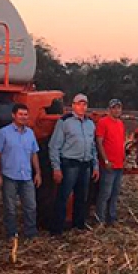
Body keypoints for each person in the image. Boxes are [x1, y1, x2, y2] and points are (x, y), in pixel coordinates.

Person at [49, 93, 99, 233]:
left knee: (81, 198)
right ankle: (57, 229)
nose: (82, 107)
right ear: (73, 106)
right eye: (79, 104)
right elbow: (54, 146)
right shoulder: (64, 122)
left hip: (85, 164)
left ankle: (78, 226)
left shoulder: (90, 124)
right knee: (63, 196)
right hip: (70, 164)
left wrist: (95, 166)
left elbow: (93, 147)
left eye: (84, 104)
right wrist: (56, 168)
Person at [0, 103, 42, 240]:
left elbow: (34, 154)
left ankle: (30, 233)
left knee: (31, 206)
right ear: (13, 115)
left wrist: (37, 173)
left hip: (26, 175)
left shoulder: (30, 133)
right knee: (10, 208)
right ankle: (11, 234)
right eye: (20, 114)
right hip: (9, 175)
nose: (23, 117)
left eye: (25, 115)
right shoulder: (4, 132)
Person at [95, 98, 128, 226]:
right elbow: (99, 142)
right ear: (109, 109)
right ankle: (100, 219)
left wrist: (123, 157)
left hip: (119, 164)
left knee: (115, 193)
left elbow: (121, 142)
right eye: (114, 108)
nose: (116, 110)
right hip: (109, 165)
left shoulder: (120, 123)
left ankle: (111, 218)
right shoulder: (103, 122)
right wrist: (106, 160)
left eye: (118, 108)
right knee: (105, 194)